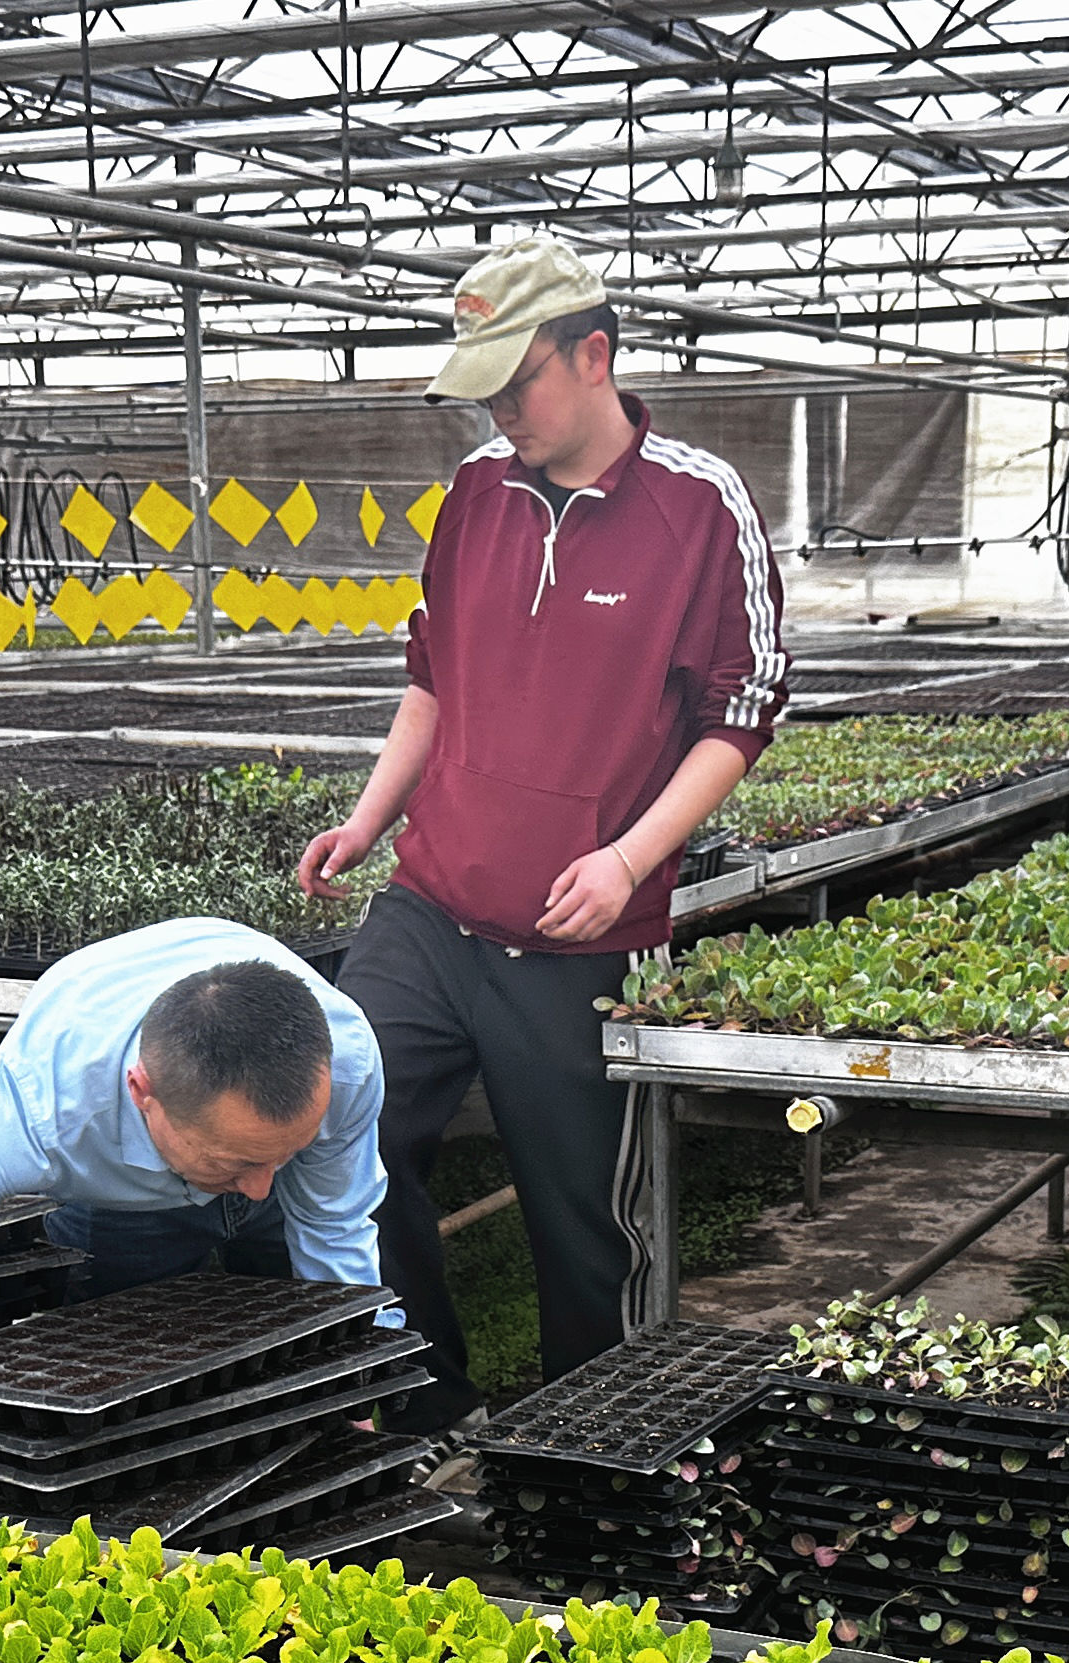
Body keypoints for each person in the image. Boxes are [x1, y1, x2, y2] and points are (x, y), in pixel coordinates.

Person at [297, 232, 787, 1428]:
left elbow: (741, 713)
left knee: (584, 1223)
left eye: (517, 384)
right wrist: (368, 821)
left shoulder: (697, 506)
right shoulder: (476, 494)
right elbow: (433, 681)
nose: (501, 414)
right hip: (429, 907)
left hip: (581, 939)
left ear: (594, 356)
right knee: (341, 1138)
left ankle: (589, 1445)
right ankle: (423, 1411)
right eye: (486, 392)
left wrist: (627, 861)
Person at [0, 920, 391, 1501]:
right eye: (232, 1162)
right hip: (121, 1208)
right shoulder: (33, 1112)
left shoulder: (347, 1060)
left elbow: (333, 1231)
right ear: (143, 1093)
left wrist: (353, 1411)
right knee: (130, 1413)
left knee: (292, 1364)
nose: (258, 1190)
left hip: (278, 1142)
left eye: (284, 1153)